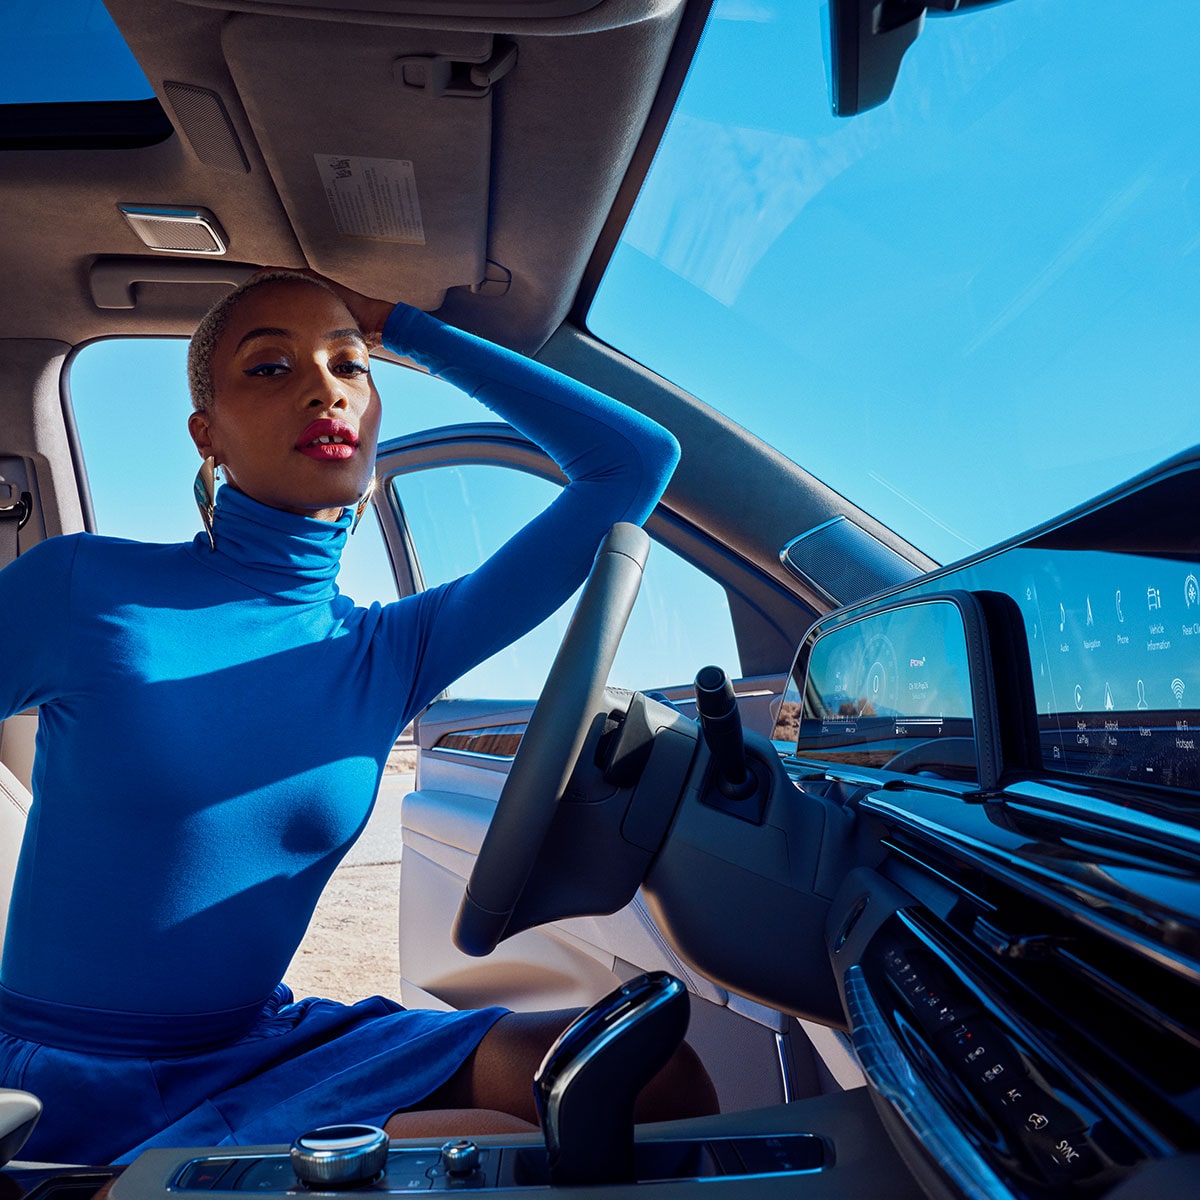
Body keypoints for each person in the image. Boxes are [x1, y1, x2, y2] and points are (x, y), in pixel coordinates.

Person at [0, 270, 716, 1164]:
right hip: (66, 1075)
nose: (324, 387)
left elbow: (634, 462)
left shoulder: (394, 649)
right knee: (484, 1147)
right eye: (270, 368)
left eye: (349, 367)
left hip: (263, 1050)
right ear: (206, 436)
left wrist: (399, 327)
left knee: (654, 1077)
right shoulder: (86, 588)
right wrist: (365, 333)